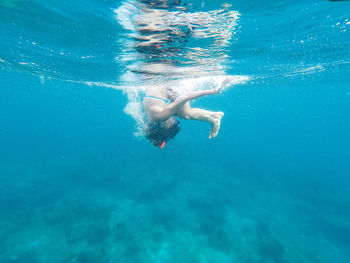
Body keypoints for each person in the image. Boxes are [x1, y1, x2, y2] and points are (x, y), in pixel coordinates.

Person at [143, 77, 235, 148]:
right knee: (184, 113)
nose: (174, 121)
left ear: (165, 127)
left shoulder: (161, 116)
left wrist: (213, 91)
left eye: (172, 125)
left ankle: (214, 119)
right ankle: (214, 117)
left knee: (185, 114)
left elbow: (186, 97)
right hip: (164, 86)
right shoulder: (151, 118)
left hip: (170, 84)